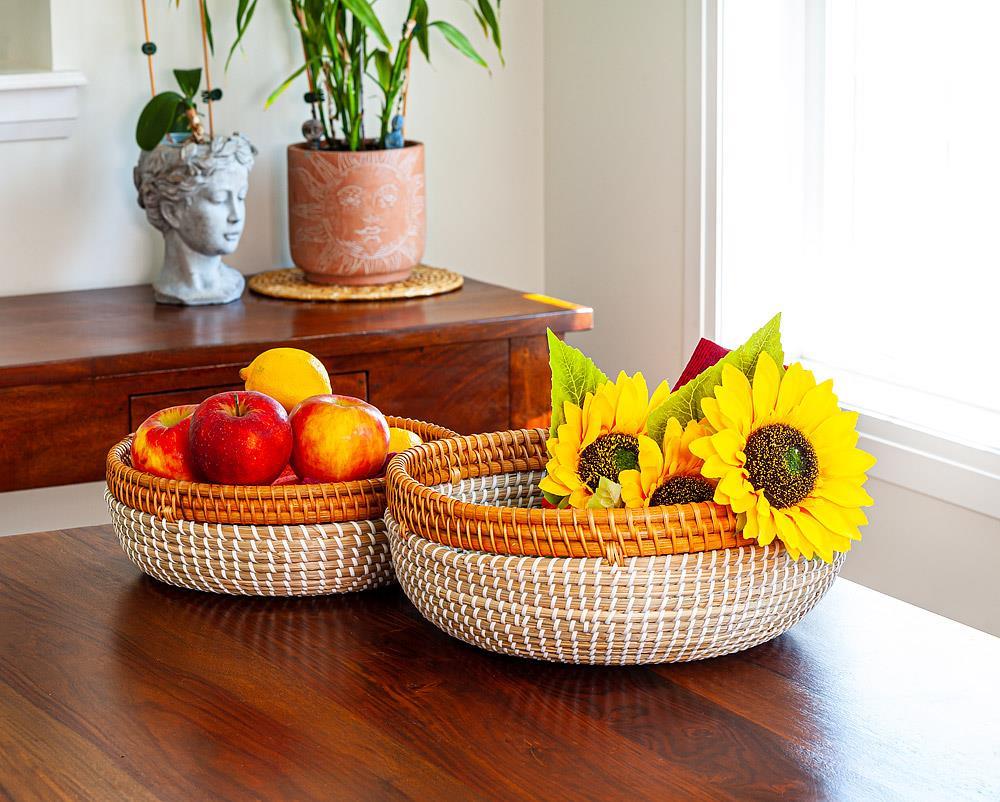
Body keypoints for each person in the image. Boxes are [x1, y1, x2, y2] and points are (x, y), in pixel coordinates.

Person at [134, 134, 256, 305]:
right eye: (219, 199)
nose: (236, 216)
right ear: (171, 212)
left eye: (241, 197)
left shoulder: (232, 284)